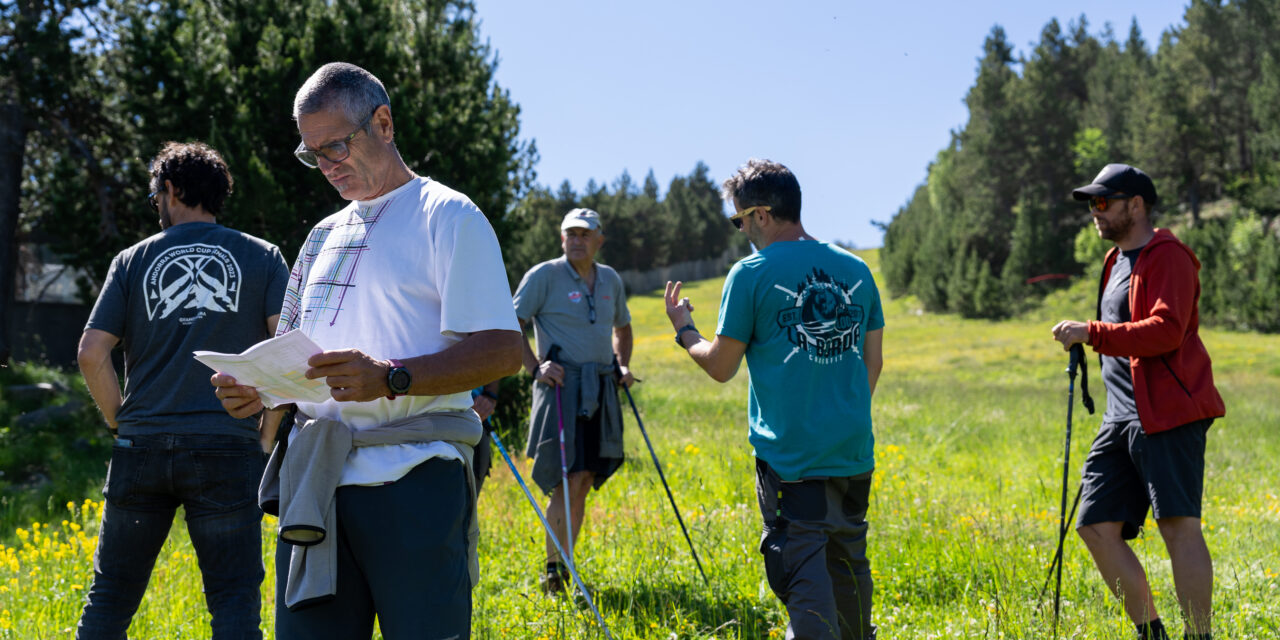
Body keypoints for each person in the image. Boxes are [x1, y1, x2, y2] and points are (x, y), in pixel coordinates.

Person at [210, 62, 521, 639]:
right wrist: (261, 390)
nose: (327, 166)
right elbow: (301, 355)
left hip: (415, 475)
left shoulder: (447, 215)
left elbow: (504, 350)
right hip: (317, 485)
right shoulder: (321, 235)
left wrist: (391, 378)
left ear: (383, 123)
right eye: (312, 154)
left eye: (336, 147)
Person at [75, 141, 289, 639]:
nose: (157, 207)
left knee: (108, 603)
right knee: (234, 605)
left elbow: (91, 353)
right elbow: (285, 354)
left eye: (156, 197)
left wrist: (119, 420)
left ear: (170, 189)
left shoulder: (132, 261)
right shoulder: (263, 256)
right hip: (227, 447)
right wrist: (264, 435)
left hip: (141, 447)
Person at [665, 159, 883, 640]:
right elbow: (873, 360)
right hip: (852, 456)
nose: (740, 228)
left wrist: (685, 330)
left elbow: (721, 366)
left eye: (738, 218)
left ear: (761, 214)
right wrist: (841, 415)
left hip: (792, 462)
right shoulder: (857, 269)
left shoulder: (751, 273)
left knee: (804, 584)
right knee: (848, 573)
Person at [1052, 163, 1225, 640]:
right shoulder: (1114, 262)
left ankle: (1198, 635)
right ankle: (1153, 633)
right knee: (1094, 525)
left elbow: (1167, 331)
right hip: (1120, 417)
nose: (1095, 212)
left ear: (1137, 204)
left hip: (1167, 414)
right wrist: (1091, 337)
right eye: (1092, 203)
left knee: (1177, 526)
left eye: (1103, 202)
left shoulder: (1168, 255)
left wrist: (1092, 332)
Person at [512, 207, 635, 592]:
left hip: (599, 387)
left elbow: (624, 328)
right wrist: (535, 368)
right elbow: (509, 324)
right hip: (560, 389)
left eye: (585, 233)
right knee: (564, 480)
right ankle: (553, 571)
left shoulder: (610, 279)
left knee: (583, 479)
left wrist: (623, 366)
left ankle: (564, 565)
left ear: (600, 239)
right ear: (561, 238)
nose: (578, 240)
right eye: (571, 234)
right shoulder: (543, 276)